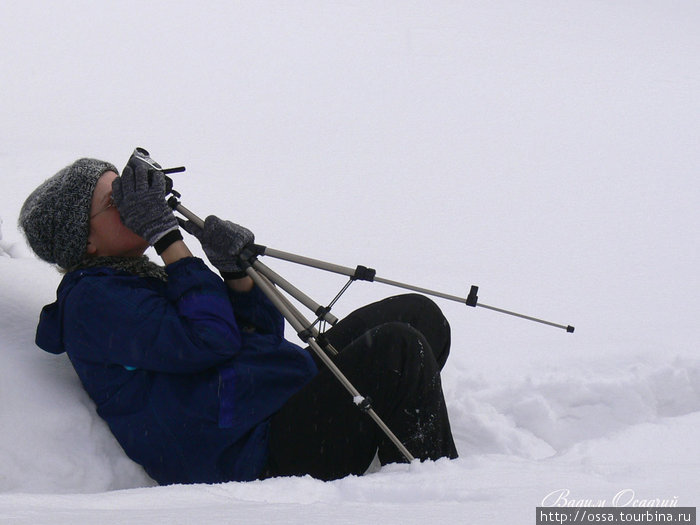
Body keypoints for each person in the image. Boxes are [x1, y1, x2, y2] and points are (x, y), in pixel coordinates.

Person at [18, 152, 458, 485]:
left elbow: (259, 335)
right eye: (116, 201)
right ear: (85, 241)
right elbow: (210, 341)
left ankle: (394, 444)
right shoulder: (93, 303)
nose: (133, 204)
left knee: (419, 316)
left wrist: (236, 274)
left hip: (267, 403)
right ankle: (432, 496)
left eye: (130, 191)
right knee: (398, 350)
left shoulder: (138, 277)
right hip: (251, 454)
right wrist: (169, 240)